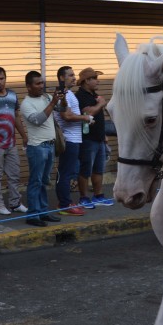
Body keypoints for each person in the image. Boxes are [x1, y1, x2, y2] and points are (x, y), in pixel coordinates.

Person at [19, 71, 66, 227]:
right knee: (35, 181)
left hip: (50, 145)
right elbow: (38, 120)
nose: (41, 86)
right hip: (37, 147)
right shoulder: (26, 104)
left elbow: (61, 109)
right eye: (37, 83)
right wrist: (52, 102)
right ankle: (32, 214)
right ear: (28, 86)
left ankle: (43, 212)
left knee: (44, 181)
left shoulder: (45, 97)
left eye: (42, 82)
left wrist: (62, 98)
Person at [0, 66, 29, 216]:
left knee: (14, 174)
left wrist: (24, 136)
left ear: (5, 78)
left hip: (11, 143)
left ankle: (15, 203)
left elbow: (16, 116)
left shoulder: (12, 94)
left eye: (1, 78)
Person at [54, 65, 93, 216]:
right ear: (61, 78)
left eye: (73, 74)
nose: (74, 77)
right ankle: (64, 204)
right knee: (65, 173)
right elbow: (67, 116)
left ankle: (66, 201)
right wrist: (86, 117)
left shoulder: (68, 93)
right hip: (68, 139)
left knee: (68, 172)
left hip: (74, 139)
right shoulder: (62, 94)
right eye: (70, 75)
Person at [74, 67, 113, 209]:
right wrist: (101, 104)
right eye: (95, 78)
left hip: (99, 139)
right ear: (86, 81)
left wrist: (104, 135)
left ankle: (98, 196)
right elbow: (88, 113)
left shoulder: (93, 95)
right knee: (85, 170)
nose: (98, 81)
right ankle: (83, 198)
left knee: (98, 169)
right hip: (87, 140)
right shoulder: (80, 96)